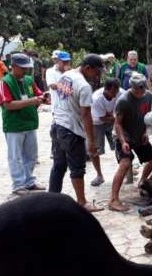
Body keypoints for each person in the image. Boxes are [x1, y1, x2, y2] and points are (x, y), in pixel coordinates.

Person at [48, 54, 105, 212]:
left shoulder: (66, 76)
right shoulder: (84, 85)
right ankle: (82, 202)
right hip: (71, 130)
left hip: (57, 125)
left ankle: (52, 200)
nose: (98, 76)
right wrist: (91, 142)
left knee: (58, 165)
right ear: (88, 68)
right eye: (97, 72)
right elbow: (86, 115)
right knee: (77, 168)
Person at [0, 53, 47, 195]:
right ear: (14, 66)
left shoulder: (29, 80)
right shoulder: (4, 82)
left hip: (30, 123)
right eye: (23, 68)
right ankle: (18, 185)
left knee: (31, 155)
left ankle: (29, 181)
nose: (26, 71)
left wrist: (43, 98)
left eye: (27, 68)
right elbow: (8, 105)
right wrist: (32, 101)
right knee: (15, 156)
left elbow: (38, 94)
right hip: (14, 125)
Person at [110, 72, 152, 212]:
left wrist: (145, 132)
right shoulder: (123, 100)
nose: (141, 91)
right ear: (132, 87)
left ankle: (142, 182)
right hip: (123, 135)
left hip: (139, 134)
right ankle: (113, 199)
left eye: (143, 87)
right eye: (138, 88)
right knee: (125, 163)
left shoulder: (149, 96)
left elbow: (147, 116)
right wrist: (123, 142)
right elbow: (117, 124)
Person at [89, 78, 125, 187]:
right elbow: (102, 118)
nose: (115, 94)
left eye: (116, 91)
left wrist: (116, 119)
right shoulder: (96, 98)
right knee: (94, 149)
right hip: (97, 122)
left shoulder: (122, 93)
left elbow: (123, 111)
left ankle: (125, 168)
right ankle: (99, 175)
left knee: (122, 142)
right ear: (106, 89)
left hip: (113, 118)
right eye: (113, 92)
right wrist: (115, 118)